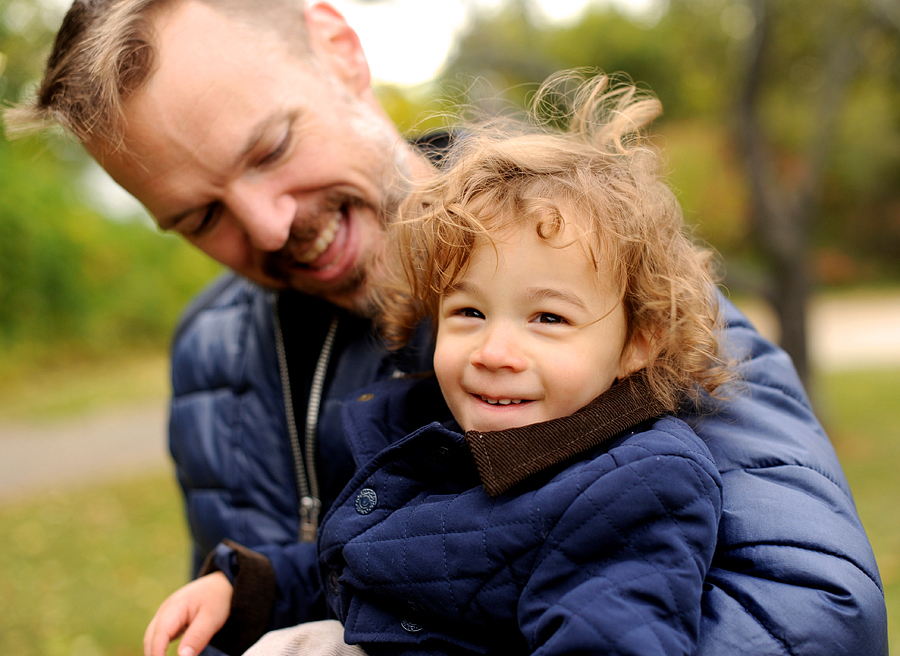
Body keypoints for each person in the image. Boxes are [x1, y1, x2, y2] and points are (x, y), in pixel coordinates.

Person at [5, 1, 887, 655]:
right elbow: (340, 563)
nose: (269, 226)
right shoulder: (210, 354)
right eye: (200, 219)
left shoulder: (591, 266)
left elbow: (817, 614)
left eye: (270, 148)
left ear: (341, 53)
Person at [145, 74, 735, 656]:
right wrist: (246, 588)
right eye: (470, 311)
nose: (494, 351)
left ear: (639, 342)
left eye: (548, 319)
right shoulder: (439, 440)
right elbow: (356, 559)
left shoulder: (633, 483)